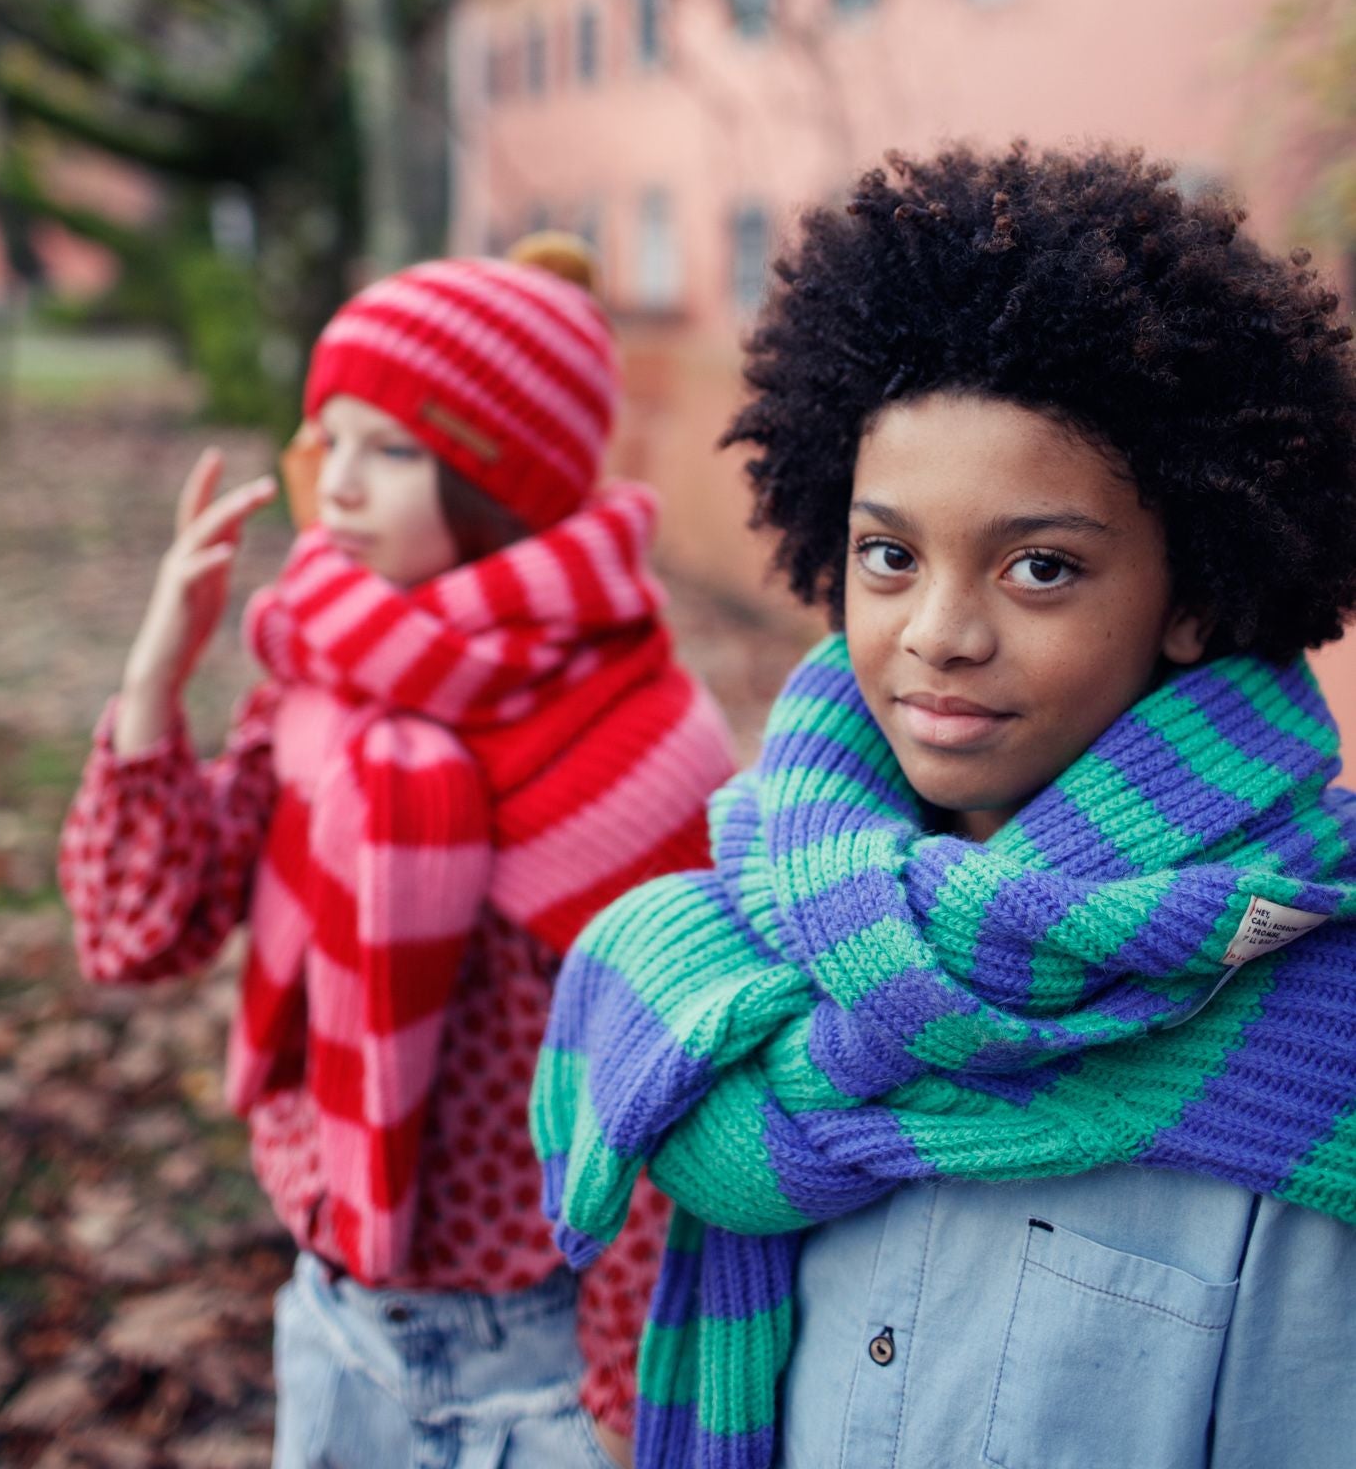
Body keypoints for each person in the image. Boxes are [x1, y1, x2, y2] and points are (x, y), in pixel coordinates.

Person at [532, 146, 1356, 1469]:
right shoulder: (734, 972)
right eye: (889, 556)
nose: (939, 634)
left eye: (1039, 567)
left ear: (1194, 592)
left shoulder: (1318, 1033)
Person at [60, 238, 736, 1469]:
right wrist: (156, 680)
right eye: (333, 440)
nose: (343, 488)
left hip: (541, 1354)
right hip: (330, 1320)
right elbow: (142, 926)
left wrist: (628, 1389)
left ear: (501, 477)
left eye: (396, 449)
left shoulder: (642, 745)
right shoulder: (316, 674)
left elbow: (669, 1091)